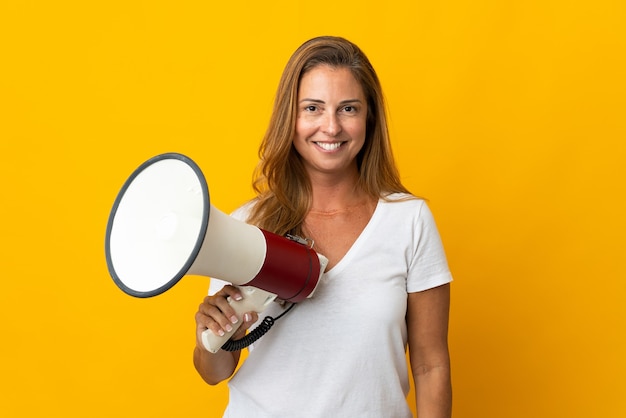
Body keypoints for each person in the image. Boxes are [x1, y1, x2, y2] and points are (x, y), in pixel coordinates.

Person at [193, 36, 453, 418]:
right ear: (290, 118)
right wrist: (211, 337)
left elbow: (432, 367)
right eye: (312, 108)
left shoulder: (408, 221)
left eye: (348, 108)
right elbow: (213, 372)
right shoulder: (247, 225)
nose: (330, 127)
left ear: (369, 118)